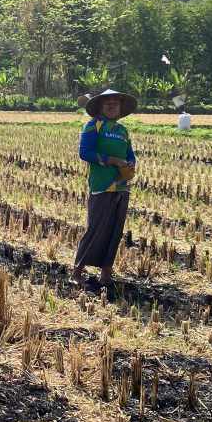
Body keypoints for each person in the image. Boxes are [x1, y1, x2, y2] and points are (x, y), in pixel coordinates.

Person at [74, 88, 137, 291]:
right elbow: (85, 153)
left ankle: (106, 272)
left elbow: (130, 154)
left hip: (121, 185)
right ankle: (77, 271)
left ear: (120, 108)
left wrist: (129, 165)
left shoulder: (122, 131)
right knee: (96, 228)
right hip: (102, 185)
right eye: (107, 104)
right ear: (100, 107)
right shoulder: (94, 126)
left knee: (115, 230)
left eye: (115, 104)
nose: (112, 106)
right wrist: (111, 161)